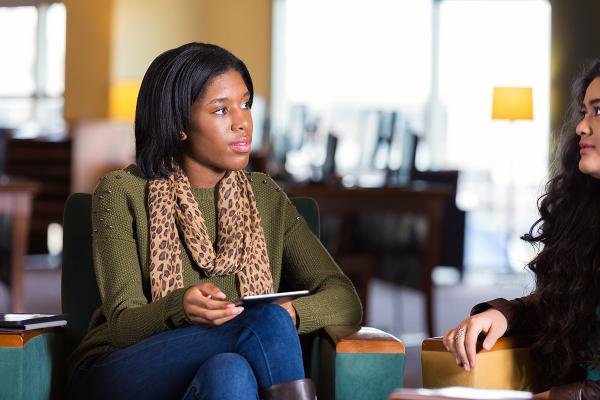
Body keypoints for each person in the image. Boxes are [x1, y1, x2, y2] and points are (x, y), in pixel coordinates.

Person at [67, 42, 362, 400]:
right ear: (179, 126)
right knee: (264, 322)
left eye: (246, 104)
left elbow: (344, 297)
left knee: (230, 370)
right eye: (221, 110)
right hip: (119, 370)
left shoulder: (265, 195)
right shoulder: (121, 191)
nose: (243, 122)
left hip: (214, 368)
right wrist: (181, 307)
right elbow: (124, 326)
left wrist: (291, 314)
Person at [443, 60, 600, 400]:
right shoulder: (585, 214)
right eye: (584, 112)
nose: (581, 128)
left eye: (598, 112)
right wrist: (504, 313)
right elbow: (566, 304)